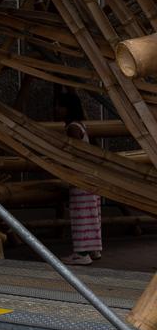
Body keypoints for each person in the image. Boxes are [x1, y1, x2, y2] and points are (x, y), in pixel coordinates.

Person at [55, 91, 102, 265]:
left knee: (81, 214)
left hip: (81, 176)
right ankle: (93, 249)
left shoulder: (72, 128)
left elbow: (76, 154)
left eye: (60, 106)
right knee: (91, 213)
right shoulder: (80, 125)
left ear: (68, 109)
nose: (56, 109)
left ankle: (82, 254)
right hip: (89, 176)